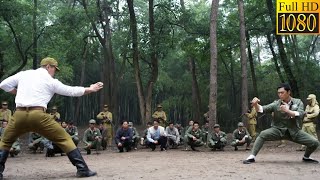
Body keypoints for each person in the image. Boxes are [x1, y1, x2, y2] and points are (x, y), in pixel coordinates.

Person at [0, 57, 102, 178]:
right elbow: (70, 91)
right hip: (38, 115)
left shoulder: (24, 74)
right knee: (65, 139)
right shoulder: (50, 80)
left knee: (5, 142)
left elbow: (3, 84)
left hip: (19, 115)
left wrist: (17, 92)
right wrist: (90, 89)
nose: (55, 72)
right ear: (48, 66)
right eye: (54, 69)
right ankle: (82, 169)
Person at [243, 83, 320, 164]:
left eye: (282, 92)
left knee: (315, 143)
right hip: (277, 130)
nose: (280, 95)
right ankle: (252, 157)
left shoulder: (298, 102)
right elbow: (262, 109)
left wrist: (287, 111)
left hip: (294, 131)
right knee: (262, 134)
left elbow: (300, 114)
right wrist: (256, 104)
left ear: (288, 92)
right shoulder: (276, 104)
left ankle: (306, 157)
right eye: (278, 93)